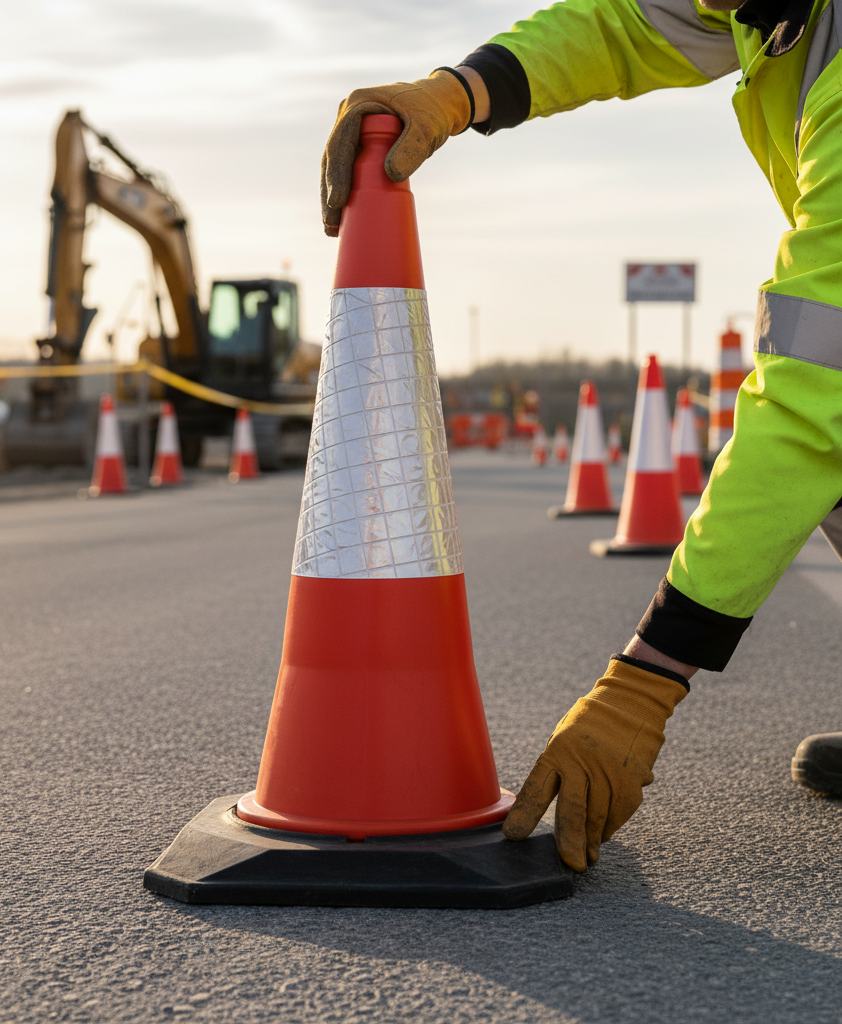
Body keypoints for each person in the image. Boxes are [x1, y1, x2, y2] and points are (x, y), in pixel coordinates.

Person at [321, 0, 842, 873]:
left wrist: (647, 678)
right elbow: (624, 28)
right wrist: (458, 92)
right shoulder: (773, 8)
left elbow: (816, 393)